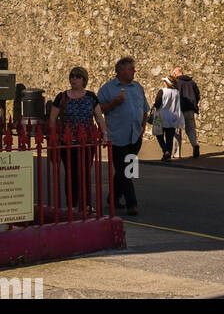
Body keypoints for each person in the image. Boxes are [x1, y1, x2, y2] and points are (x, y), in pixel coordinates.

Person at [47, 65, 107, 212]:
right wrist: (54, 137)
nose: (74, 79)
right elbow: (53, 118)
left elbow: (99, 117)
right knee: (71, 173)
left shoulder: (91, 96)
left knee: (85, 172)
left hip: (87, 142)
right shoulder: (62, 97)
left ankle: (86, 204)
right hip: (68, 142)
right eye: (72, 76)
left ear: (84, 80)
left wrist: (104, 134)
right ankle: (72, 205)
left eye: (77, 76)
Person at [97, 57, 150, 217]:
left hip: (135, 136)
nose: (134, 71)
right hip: (117, 136)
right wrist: (113, 103)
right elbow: (99, 110)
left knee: (127, 170)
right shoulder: (108, 89)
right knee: (124, 170)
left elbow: (145, 109)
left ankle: (113, 197)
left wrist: (142, 128)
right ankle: (131, 204)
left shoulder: (137, 87)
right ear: (120, 71)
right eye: (130, 68)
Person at [150, 76, 183, 161]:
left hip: (161, 116)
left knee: (159, 135)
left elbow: (157, 104)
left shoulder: (162, 91)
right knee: (170, 138)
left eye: (165, 81)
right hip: (172, 117)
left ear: (167, 82)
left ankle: (165, 151)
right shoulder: (177, 92)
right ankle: (168, 154)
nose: (163, 82)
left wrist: (154, 103)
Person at [171, 67, 201, 158]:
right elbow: (197, 95)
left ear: (175, 74)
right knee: (191, 129)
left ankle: (177, 153)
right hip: (190, 109)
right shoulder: (192, 83)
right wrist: (193, 104)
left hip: (178, 109)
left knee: (177, 131)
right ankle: (194, 144)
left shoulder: (176, 82)